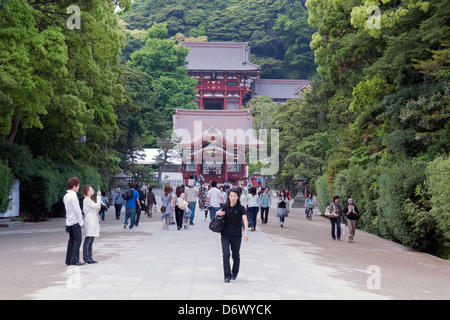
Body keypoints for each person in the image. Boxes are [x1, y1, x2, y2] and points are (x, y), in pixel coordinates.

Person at [216, 188, 249, 283]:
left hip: (236, 235)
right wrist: (217, 213)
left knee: (235, 255)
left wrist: (246, 232)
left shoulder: (241, 208)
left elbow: (245, 220)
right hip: (225, 235)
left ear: (238, 197)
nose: (233, 198)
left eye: (235, 196)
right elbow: (218, 214)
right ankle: (227, 275)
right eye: (231, 196)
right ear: (228, 196)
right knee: (226, 254)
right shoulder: (225, 207)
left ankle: (235, 272)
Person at [64, 177, 84, 266]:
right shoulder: (73, 196)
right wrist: (81, 221)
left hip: (69, 221)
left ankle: (68, 260)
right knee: (78, 240)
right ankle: (75, 260)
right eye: (78, 185)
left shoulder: (66, 196)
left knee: (71, 240)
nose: (79, 187)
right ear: (74, 186)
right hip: (75, 221)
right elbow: (77, 210)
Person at [82, 185, 101, 264]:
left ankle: (90, 256)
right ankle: (86, 257)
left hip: (93, 220)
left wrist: (97, 213)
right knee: (88, 239)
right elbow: (97, 206)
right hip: (90, 220)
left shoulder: (89, 199)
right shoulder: (86, 200)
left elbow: (95, 208)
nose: (93, 190)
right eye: (91, 189)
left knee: (91, 240)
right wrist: (98, 197)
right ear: (87, 191)